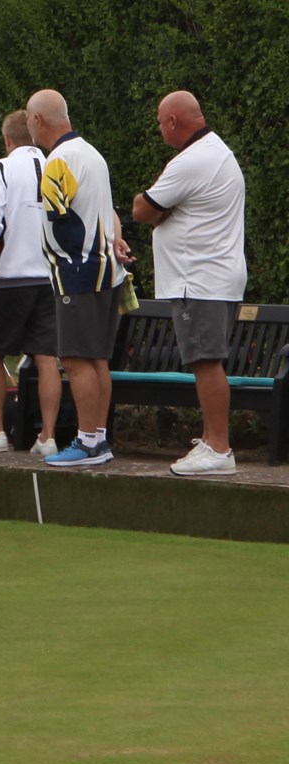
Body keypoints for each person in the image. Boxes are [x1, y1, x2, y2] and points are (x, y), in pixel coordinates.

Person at [133, 90, 247, 476]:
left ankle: (218, 448)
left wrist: (163, 214)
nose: (158, 128)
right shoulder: (216, 152)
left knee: (205, 361)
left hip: (198, 278)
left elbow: (143, 208)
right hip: (213, 275)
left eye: (159, 121)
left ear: (172, 122)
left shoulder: (191, 161)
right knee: (207, 360)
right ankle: (211, 441)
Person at [31, 89, 127, 467]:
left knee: (75, 358)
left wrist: (64, 260)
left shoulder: (59, 160)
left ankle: (87, 442)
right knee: (97, 358)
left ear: (37, 120)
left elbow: (58, 219)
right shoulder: (92, 154)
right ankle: (98, 438)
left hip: (77, 271)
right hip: (106, 270)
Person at [0, 110, 60, 456]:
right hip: (48, 275)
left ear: (8, 140)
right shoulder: (56, 164)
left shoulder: (0, 169)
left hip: (8, 277)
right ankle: (48, 437)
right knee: (46, 355)